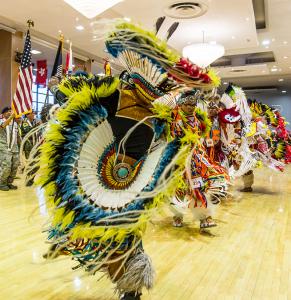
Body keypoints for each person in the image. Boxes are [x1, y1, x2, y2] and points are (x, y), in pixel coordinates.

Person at [0, 107, 20, 191]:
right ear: (3, 114)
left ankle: (9, 183)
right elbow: (2, 126)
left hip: (14, 148)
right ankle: (2, 183)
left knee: (14, 166)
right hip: (4, 147)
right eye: (7, 111)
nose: (9, 112)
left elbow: (17, 135)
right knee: (6, 166)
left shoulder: (14, 123)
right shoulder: (1, 121)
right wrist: (11, 117)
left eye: (10, 111)